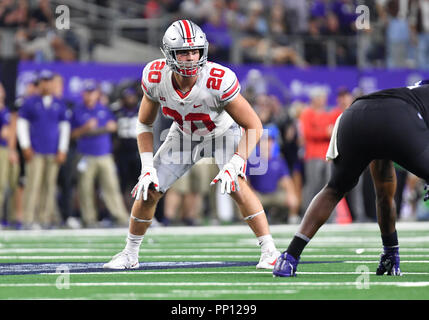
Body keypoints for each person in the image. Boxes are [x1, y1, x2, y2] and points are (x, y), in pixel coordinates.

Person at [104, 19, 280, 270]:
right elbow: (144, 124)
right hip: (184, 135)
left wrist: (236, 162)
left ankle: (270, 251)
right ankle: (130, 254)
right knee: (149, 189)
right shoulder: (155, 77)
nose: (190, 57)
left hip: (222, 132)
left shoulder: (217, 79)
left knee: (236, 185)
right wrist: (146, 167)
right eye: (183, 52)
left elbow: (254, 125)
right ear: (169, 54)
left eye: (195, 50)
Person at [273, 80, 429, 277]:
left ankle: (289, 257)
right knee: (380, 193)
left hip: (355, 113)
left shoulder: (416, 90)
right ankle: (390, 254)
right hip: (398, 117)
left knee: (337, 189)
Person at [70, 80, 129, 228]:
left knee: (111, 187)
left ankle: (120, 217)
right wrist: (85, 129)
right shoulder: (77, 111)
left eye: (92, 92)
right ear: (83, 94)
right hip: (86, 155)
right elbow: (72, 135)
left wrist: (97, 130)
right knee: (85, 188)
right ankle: (89, 218)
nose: (90, 96)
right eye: (87, 92)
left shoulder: (103, 109)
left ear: (97, 94)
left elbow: (113, 126)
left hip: (104, 154)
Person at [17, 70, 70, 229]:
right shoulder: (30, 102)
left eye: (48, 81)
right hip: (36, 150)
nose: (46, 84)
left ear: (52, 83)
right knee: (33, 185)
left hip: (53, 150)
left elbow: (65, 128)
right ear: (38, 83)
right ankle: (28, 219)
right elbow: (22, 125)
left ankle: (45, 219)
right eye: (43, 81)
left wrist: (62, 149)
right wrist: (25, 146)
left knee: (49, 185)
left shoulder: (59, 103)